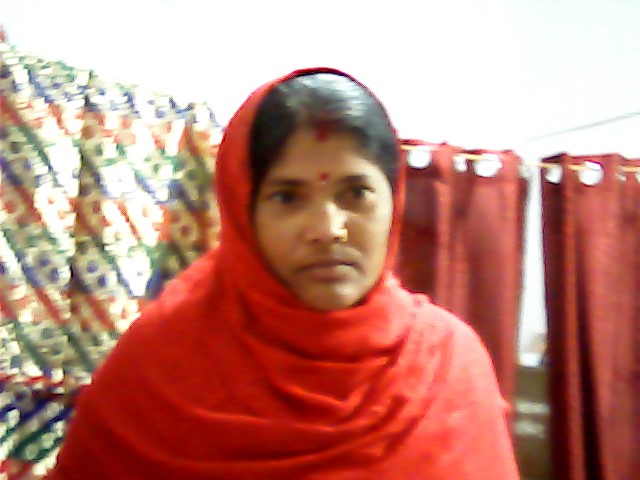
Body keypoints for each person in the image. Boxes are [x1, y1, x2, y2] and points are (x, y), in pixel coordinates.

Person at [47, 68, 519, 479]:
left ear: (393, 201)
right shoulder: (158, 365)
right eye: (288, 197)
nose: (328, 229)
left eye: (356, 193)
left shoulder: (448, 366)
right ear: (243, 211)